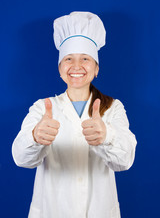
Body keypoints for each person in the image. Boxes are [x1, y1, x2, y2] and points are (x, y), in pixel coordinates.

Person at [12, 11, 137, 218]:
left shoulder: (113, 107)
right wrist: (35, 136)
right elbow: (20, 158)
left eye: (85, 59)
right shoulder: (43, 108)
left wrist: (108, 136)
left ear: (96, 68)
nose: (76, 66)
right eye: (69, 58)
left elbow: (124, 162)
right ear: (60, 68)